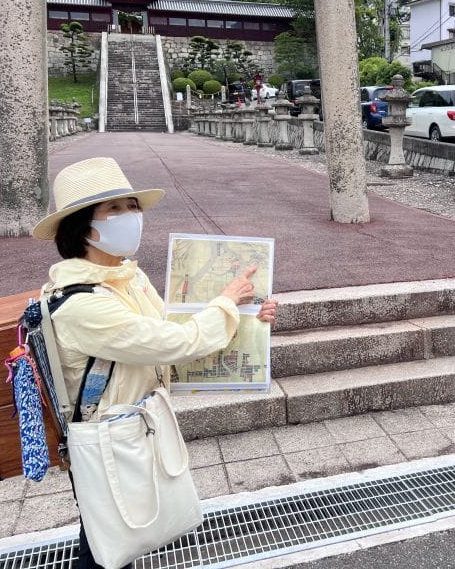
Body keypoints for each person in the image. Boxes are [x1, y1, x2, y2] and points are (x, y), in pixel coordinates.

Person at [32, 156, 278, 569]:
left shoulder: (129, 277)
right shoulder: (80, 304)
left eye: (132, 206)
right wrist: (226, 303)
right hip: (106, 437)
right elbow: (174, 340)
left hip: (135, 425)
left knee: (110, 536)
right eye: (114, 209)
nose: (131, 217)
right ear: (82, 227)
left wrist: (246, 317)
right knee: (108, 545)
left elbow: (168, 328)